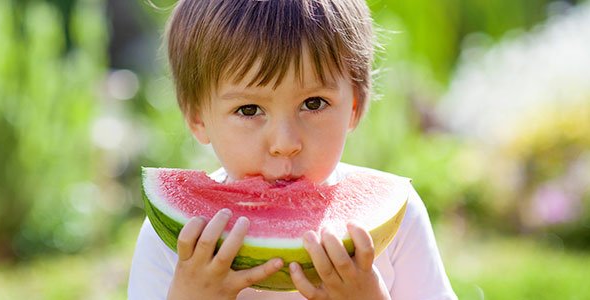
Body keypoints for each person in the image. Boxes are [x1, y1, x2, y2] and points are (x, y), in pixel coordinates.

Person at [128, 0, 457, 299]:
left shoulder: (397, 219)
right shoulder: (172, 240)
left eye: (314, 103)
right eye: (249, 110)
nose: (285, 144)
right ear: (198, 117)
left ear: (354, 106)